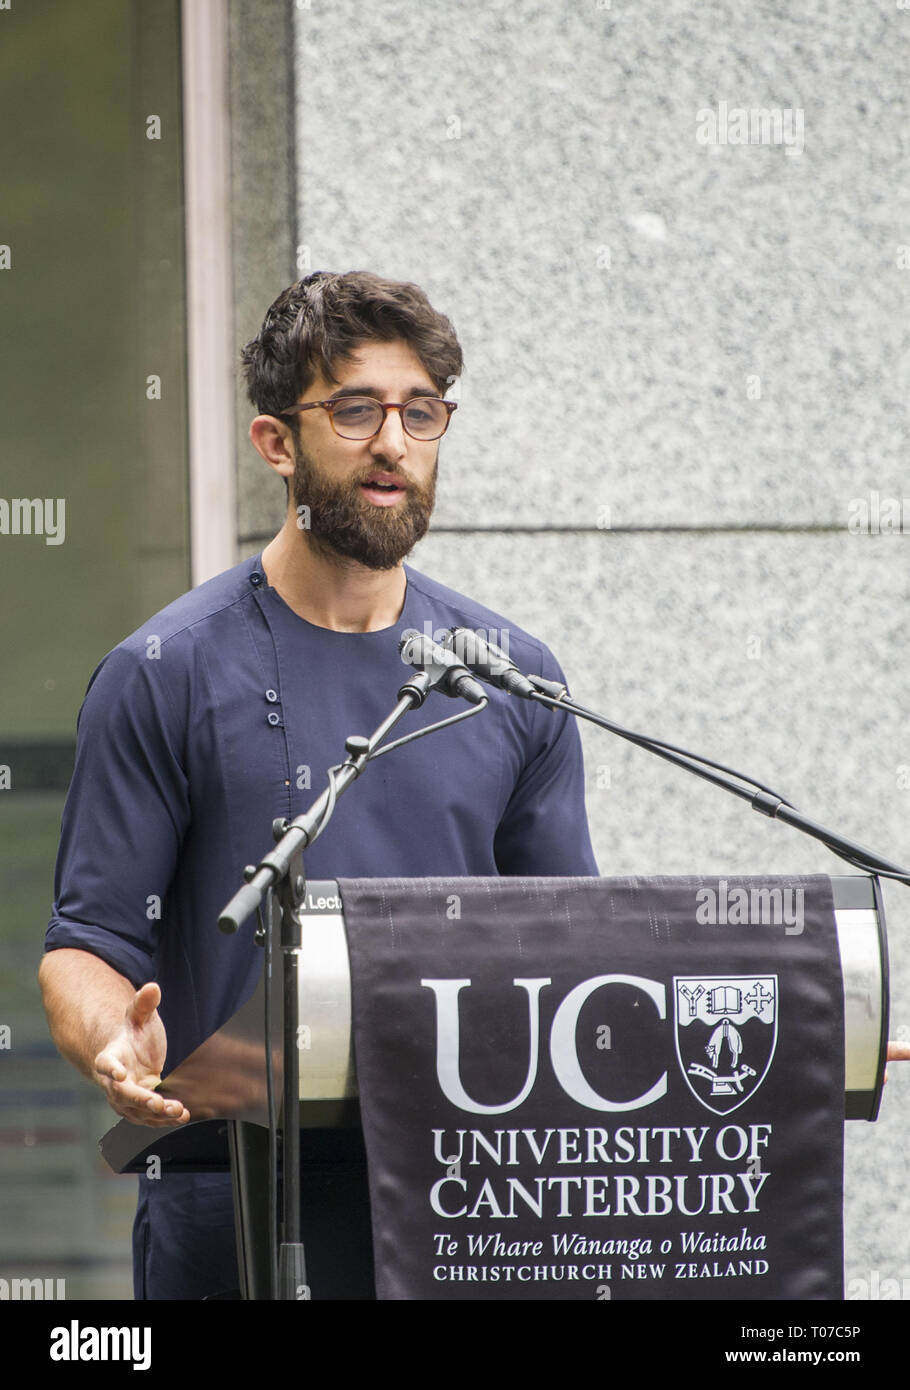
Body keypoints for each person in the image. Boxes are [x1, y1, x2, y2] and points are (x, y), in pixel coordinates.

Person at [39, 270, 600, 1300]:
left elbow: (572, 945)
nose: (393, 441)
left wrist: (774, 1014)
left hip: (470, 1201)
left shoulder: (511, 675)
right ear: (276, 443)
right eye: (354, 408)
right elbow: (88, 943)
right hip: (231, 1202)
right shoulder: (166, 672)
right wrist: (113, 1038)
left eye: (419, 411)